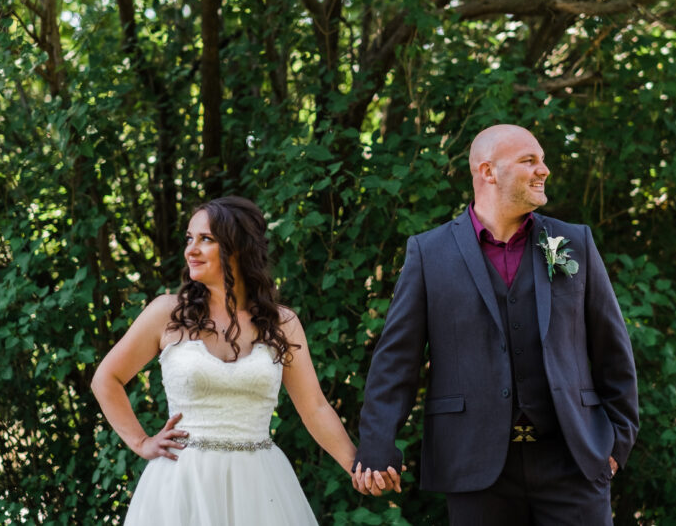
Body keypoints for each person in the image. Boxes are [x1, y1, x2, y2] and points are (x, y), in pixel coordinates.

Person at [352, 124, 639, 525]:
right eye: (529, 161)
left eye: (542, 160)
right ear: (488, 172)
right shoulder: (429, 253)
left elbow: (613, 350)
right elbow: (396, 360)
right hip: (475, 466)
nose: (545, 170)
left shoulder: (573, 242)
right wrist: (378, 443)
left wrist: (616, 441)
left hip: (573, 461)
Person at [92, 196, 360, 525]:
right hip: (182, 486)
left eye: (206, 239)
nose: (191, 249)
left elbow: (315, 407)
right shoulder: (167, 313)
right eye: (189, 238)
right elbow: (106, 378)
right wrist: (141, 441)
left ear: (239, 248)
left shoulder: (282, 323)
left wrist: (359, 468)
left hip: (260, 487)